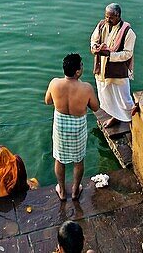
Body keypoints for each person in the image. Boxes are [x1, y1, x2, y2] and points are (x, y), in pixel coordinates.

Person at [45, 52, 100, 201]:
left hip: (61, 127)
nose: (82, 67)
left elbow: (48, 101)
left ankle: (62, 191)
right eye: (81, 66)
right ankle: (76, 190)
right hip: (78, 129)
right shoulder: (86, 88)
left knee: (59, 159)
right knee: (78, 161)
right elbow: (96, 107)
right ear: (77, 72)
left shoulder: (54, 83)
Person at [90, 2, 137, 128]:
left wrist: (109, 55)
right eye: (106, 16)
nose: (107, 20)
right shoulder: (101, 25)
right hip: (102, 69)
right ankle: (115, 117)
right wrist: (94, 48)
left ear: (118, 16)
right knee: (106, 96)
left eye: (110, 17)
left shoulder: (128, 32)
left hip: (118, 72)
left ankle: (133, 121)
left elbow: (127, 54)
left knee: (124, 99)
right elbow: (93, 39)